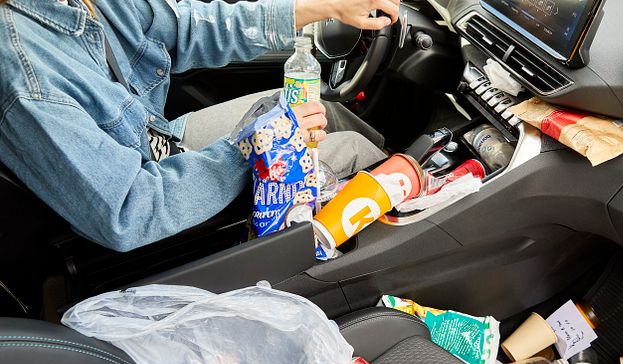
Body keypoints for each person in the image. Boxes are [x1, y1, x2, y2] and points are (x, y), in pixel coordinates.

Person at [0, 0, 399, 252]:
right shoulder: (24, 77)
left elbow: (190, 26)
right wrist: (262, 143)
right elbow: (130, 212)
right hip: (154, 206)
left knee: (326, 112)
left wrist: (318, 7)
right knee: (352, 151)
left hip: (159, 144)